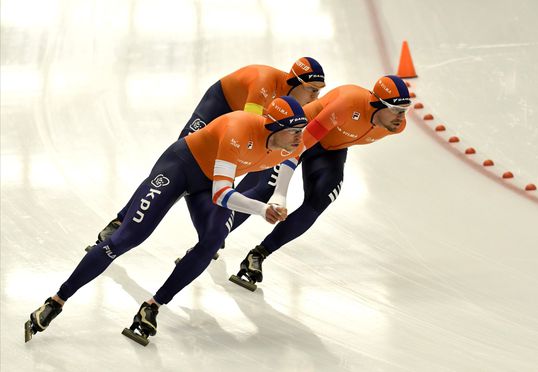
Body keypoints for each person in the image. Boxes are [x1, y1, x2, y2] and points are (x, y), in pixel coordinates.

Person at [25, 96, 317, 345]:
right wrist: (261, 209)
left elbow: (290, 163)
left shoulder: (291, 142)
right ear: (274, 127)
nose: (298, 137)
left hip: (210, 180)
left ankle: (152, 306)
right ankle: (56, 301)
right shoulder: (239, 128)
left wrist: (278, 198)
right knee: (127, 238)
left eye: (301, 130)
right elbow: (222, 194)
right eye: (294, 131)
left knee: (213, 239)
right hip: (181, 166)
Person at [95, 57, 326, 244]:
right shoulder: (264, 84)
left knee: (234, 171)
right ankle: (122, 220)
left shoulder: (294, 105)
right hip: (219, 107)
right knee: (174, 169)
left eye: (318, 92)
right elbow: (250, 131)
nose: (315, 97)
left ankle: (212, 229)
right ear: (294, 82)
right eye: (312, 90)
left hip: (239, 124)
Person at [228, 75, 411, 291]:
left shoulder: (396, 125)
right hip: (298, 134)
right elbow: (301, 144)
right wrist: (281, 192)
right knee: (265, 188)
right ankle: (214, 236)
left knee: (321, 198)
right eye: (397, 109)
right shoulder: (349, 104)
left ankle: (258, 255)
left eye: (405, 109)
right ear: (377, 104)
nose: (401, 117)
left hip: (330, 150)